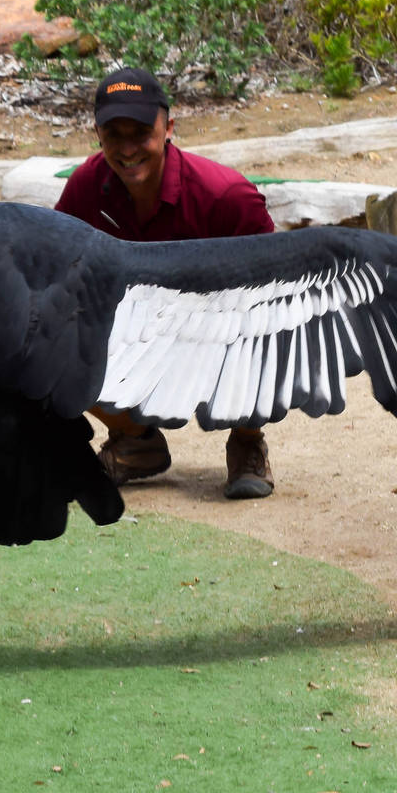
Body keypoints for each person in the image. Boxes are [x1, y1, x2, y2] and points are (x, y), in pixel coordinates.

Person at [55, 66, 278, 500]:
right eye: (113, 134)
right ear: (96, 134)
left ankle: (247, 441)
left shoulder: (226, 197)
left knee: (264, 332)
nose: (127, 148)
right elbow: (59, 271)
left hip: (218, 330)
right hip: (137, 330)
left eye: (140, 133)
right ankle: (136, 442)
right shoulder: (86, 187)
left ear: (169, 127)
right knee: (47, 333)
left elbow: (270, 294)